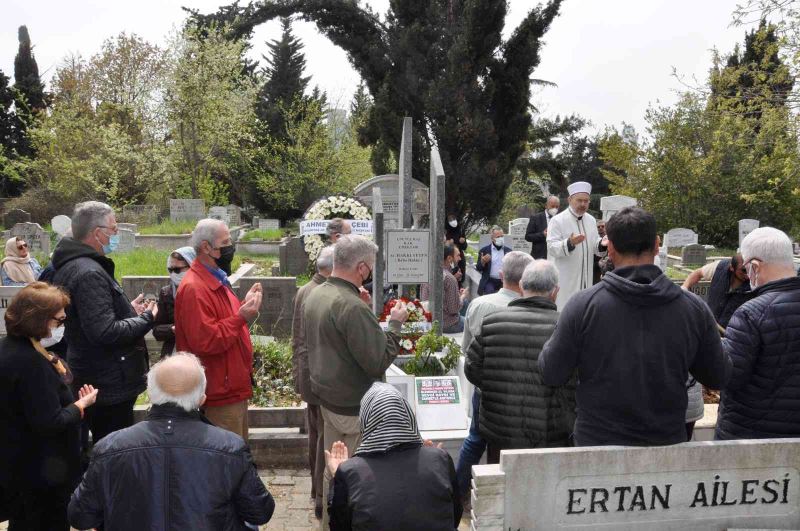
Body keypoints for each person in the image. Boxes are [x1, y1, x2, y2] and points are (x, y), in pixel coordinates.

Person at [539, 207, 731, 446]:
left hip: (598, 444)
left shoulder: (582, 306)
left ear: (609, 248)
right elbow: (718, 375)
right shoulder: (693, 309)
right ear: (657, 244)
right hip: (664, 442)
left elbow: (552, 372)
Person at [68, 353, 275, 530]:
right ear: (202, 399)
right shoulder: (231, 447)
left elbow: (80, 515)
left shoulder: (109, 447)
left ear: (150, 394)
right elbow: (260, 512)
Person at [303, 234, 409, 529]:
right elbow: (377, 360)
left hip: (328, 399)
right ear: (362, 268)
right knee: (354, 476)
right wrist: (396, 324)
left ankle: (328, 522)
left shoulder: (317, 293)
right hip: (354, 406)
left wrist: (364, 313)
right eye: (371, 266)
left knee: (332, 470)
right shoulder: (351, 306)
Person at [52, 201, 157, 443]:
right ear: (97, 233)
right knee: (111, 447)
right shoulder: (88, 272)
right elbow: (104, 331)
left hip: (98, 373)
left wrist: (127, 310)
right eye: (113, 228)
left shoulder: (78, 264)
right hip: (108, 381)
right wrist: (147, 318)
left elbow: (92, 315)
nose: (116, 234)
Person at [0, 282, 98, 530]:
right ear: (39, 319)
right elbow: (49, 422)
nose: (61, 325)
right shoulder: (30, 363)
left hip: (19, 464)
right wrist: (80, 405)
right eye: (58, 319)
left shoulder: (11, 347)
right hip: (42, 472)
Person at [466, 260, 574, 462]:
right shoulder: (566, 327)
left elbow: (472, 368)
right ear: (555, 291)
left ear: (522, 286)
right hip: (550, 432)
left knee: (499, 488)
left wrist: (497, 387)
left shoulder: (492, 322)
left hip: (500, 429)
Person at [325, 383, 462, 531]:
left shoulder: (350, 471)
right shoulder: (440, 459)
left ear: (365, 421)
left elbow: (338, 526)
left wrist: (337, 476)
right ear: (407, 416)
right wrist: (435, 463)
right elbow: (455, 515)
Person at [455, 251, 532, 504]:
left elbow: (467, 349)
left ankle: (457, 493)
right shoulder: (523, 309)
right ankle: (496, 498)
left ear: (501, 274)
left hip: (483, 386)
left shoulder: (479, 304)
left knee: (475, 440)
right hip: (513, 391)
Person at [175, 219, 262, 440]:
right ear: (206, 248)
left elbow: (223, 319)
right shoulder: (195, 287)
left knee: (238, 458)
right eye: (226, 242)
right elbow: (206, 340)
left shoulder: (216, 278)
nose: (230, 248)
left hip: (232, 387)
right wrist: (241, 317)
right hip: (218, 393)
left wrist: (244, 306)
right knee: (226, 461)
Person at [716, 227, 800, 440]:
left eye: (746, 268)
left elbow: (730, 377)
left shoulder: (750, 314)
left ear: (754, 266)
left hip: (751, 437)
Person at [292, 245, 334, 518]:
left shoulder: (304, 289)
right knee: (321, 436)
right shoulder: (321, 293)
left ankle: (314, 488)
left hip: (307, 371)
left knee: (315, 433)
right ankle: (321, 495)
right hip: (319, 373)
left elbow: (296, 338)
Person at [546, 181, 607, 309]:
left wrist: (602, 244)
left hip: (586, 279)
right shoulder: (557, 220)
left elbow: (594, 245)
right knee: (564, 312)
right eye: (579, 200)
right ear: (570, 199)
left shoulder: (590, 220)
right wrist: (569, 243)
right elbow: (552, 248)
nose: (583, 204)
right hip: (565, 279)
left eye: (586, 201)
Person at [681, 254, 752, 328]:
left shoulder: (755, 283)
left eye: (749, 270)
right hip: (709, 326)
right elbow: (698, 273)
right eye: (743, 270)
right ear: (731, 268)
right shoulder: (720, 267)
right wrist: (684, 288)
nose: (747, 275)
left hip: (731, 333)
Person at [152, 246, 196, 358]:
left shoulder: (205, 290)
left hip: (200, 352)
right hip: (174, 353)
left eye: (177, 270)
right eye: (170, 270)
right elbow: (157, 330)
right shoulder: (166, 293)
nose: (173, 274)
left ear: (192, 266)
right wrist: (172, 329)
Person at [420, 243, 467, 333]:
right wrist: (462, 296)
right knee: (473, 323)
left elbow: (425, 299)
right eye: (457, 255)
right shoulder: (449, 278)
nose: (460, 259)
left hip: (430, 321)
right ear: (449, 258)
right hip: (448, 324)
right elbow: (453, 309)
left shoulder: (428, 274)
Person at [475, 226, 512, 295]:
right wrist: (483, 262)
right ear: (492, 238)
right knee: (489, 293)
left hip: (504, 281)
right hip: (490, 280)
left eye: (502, 236)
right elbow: (478, 268)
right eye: (498, 237)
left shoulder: (509, 251)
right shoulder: (484, 250)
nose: (500, 238)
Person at [445, 213, 467, 285]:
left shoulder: (460, 230)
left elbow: (465, 247)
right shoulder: (446, 231)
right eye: (450, 220)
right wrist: (448, 243)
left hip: (459, 254)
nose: (453, 221)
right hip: (449, 256)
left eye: (454, 219)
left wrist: (463, 242)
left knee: (460, 276)